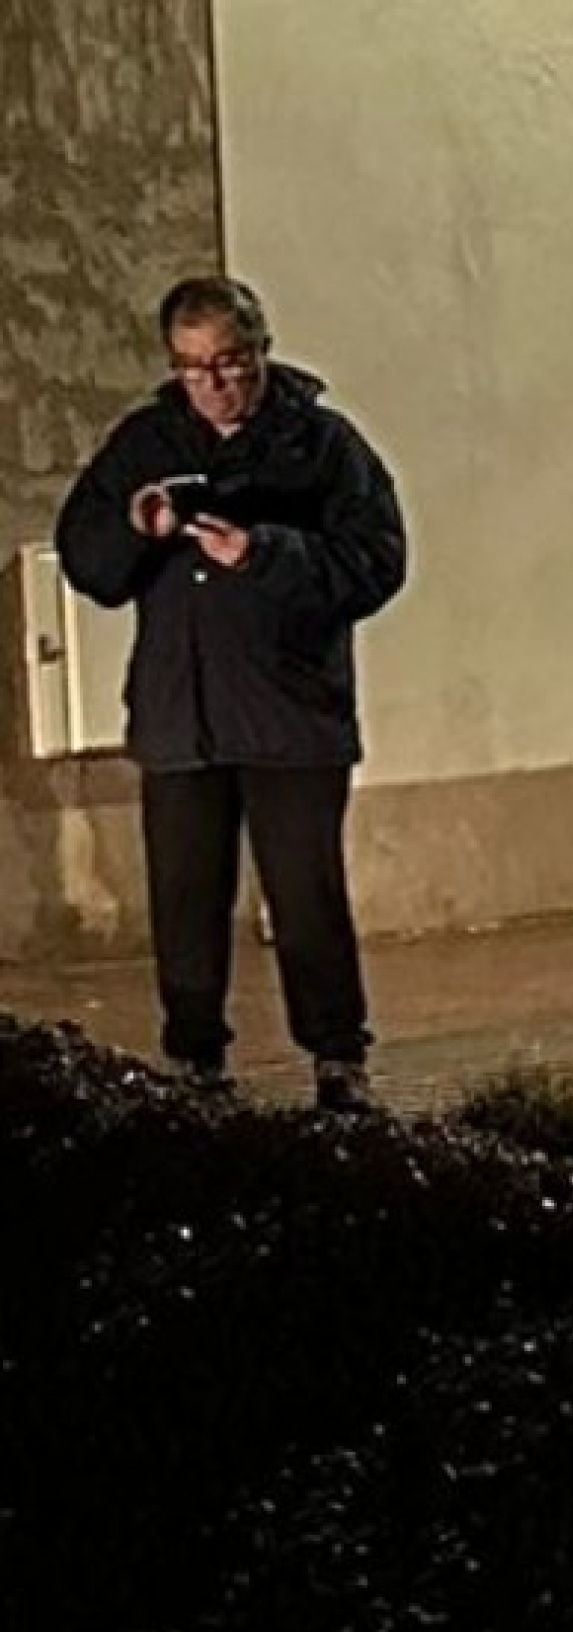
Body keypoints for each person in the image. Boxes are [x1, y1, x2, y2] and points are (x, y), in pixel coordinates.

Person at [56, 276, 408, 1110]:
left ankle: (336, 1059)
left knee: (305, 896)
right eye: (192, 367)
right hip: (182, 716)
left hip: (291, 715)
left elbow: (377, 563)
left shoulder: (323, 447)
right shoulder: (146, 442)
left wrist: (265, 555)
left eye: (229, 363)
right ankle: (196, 1062)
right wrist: (133, 531)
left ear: (261, 351)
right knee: (185, 900)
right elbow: (88, 559)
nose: (214, 384)